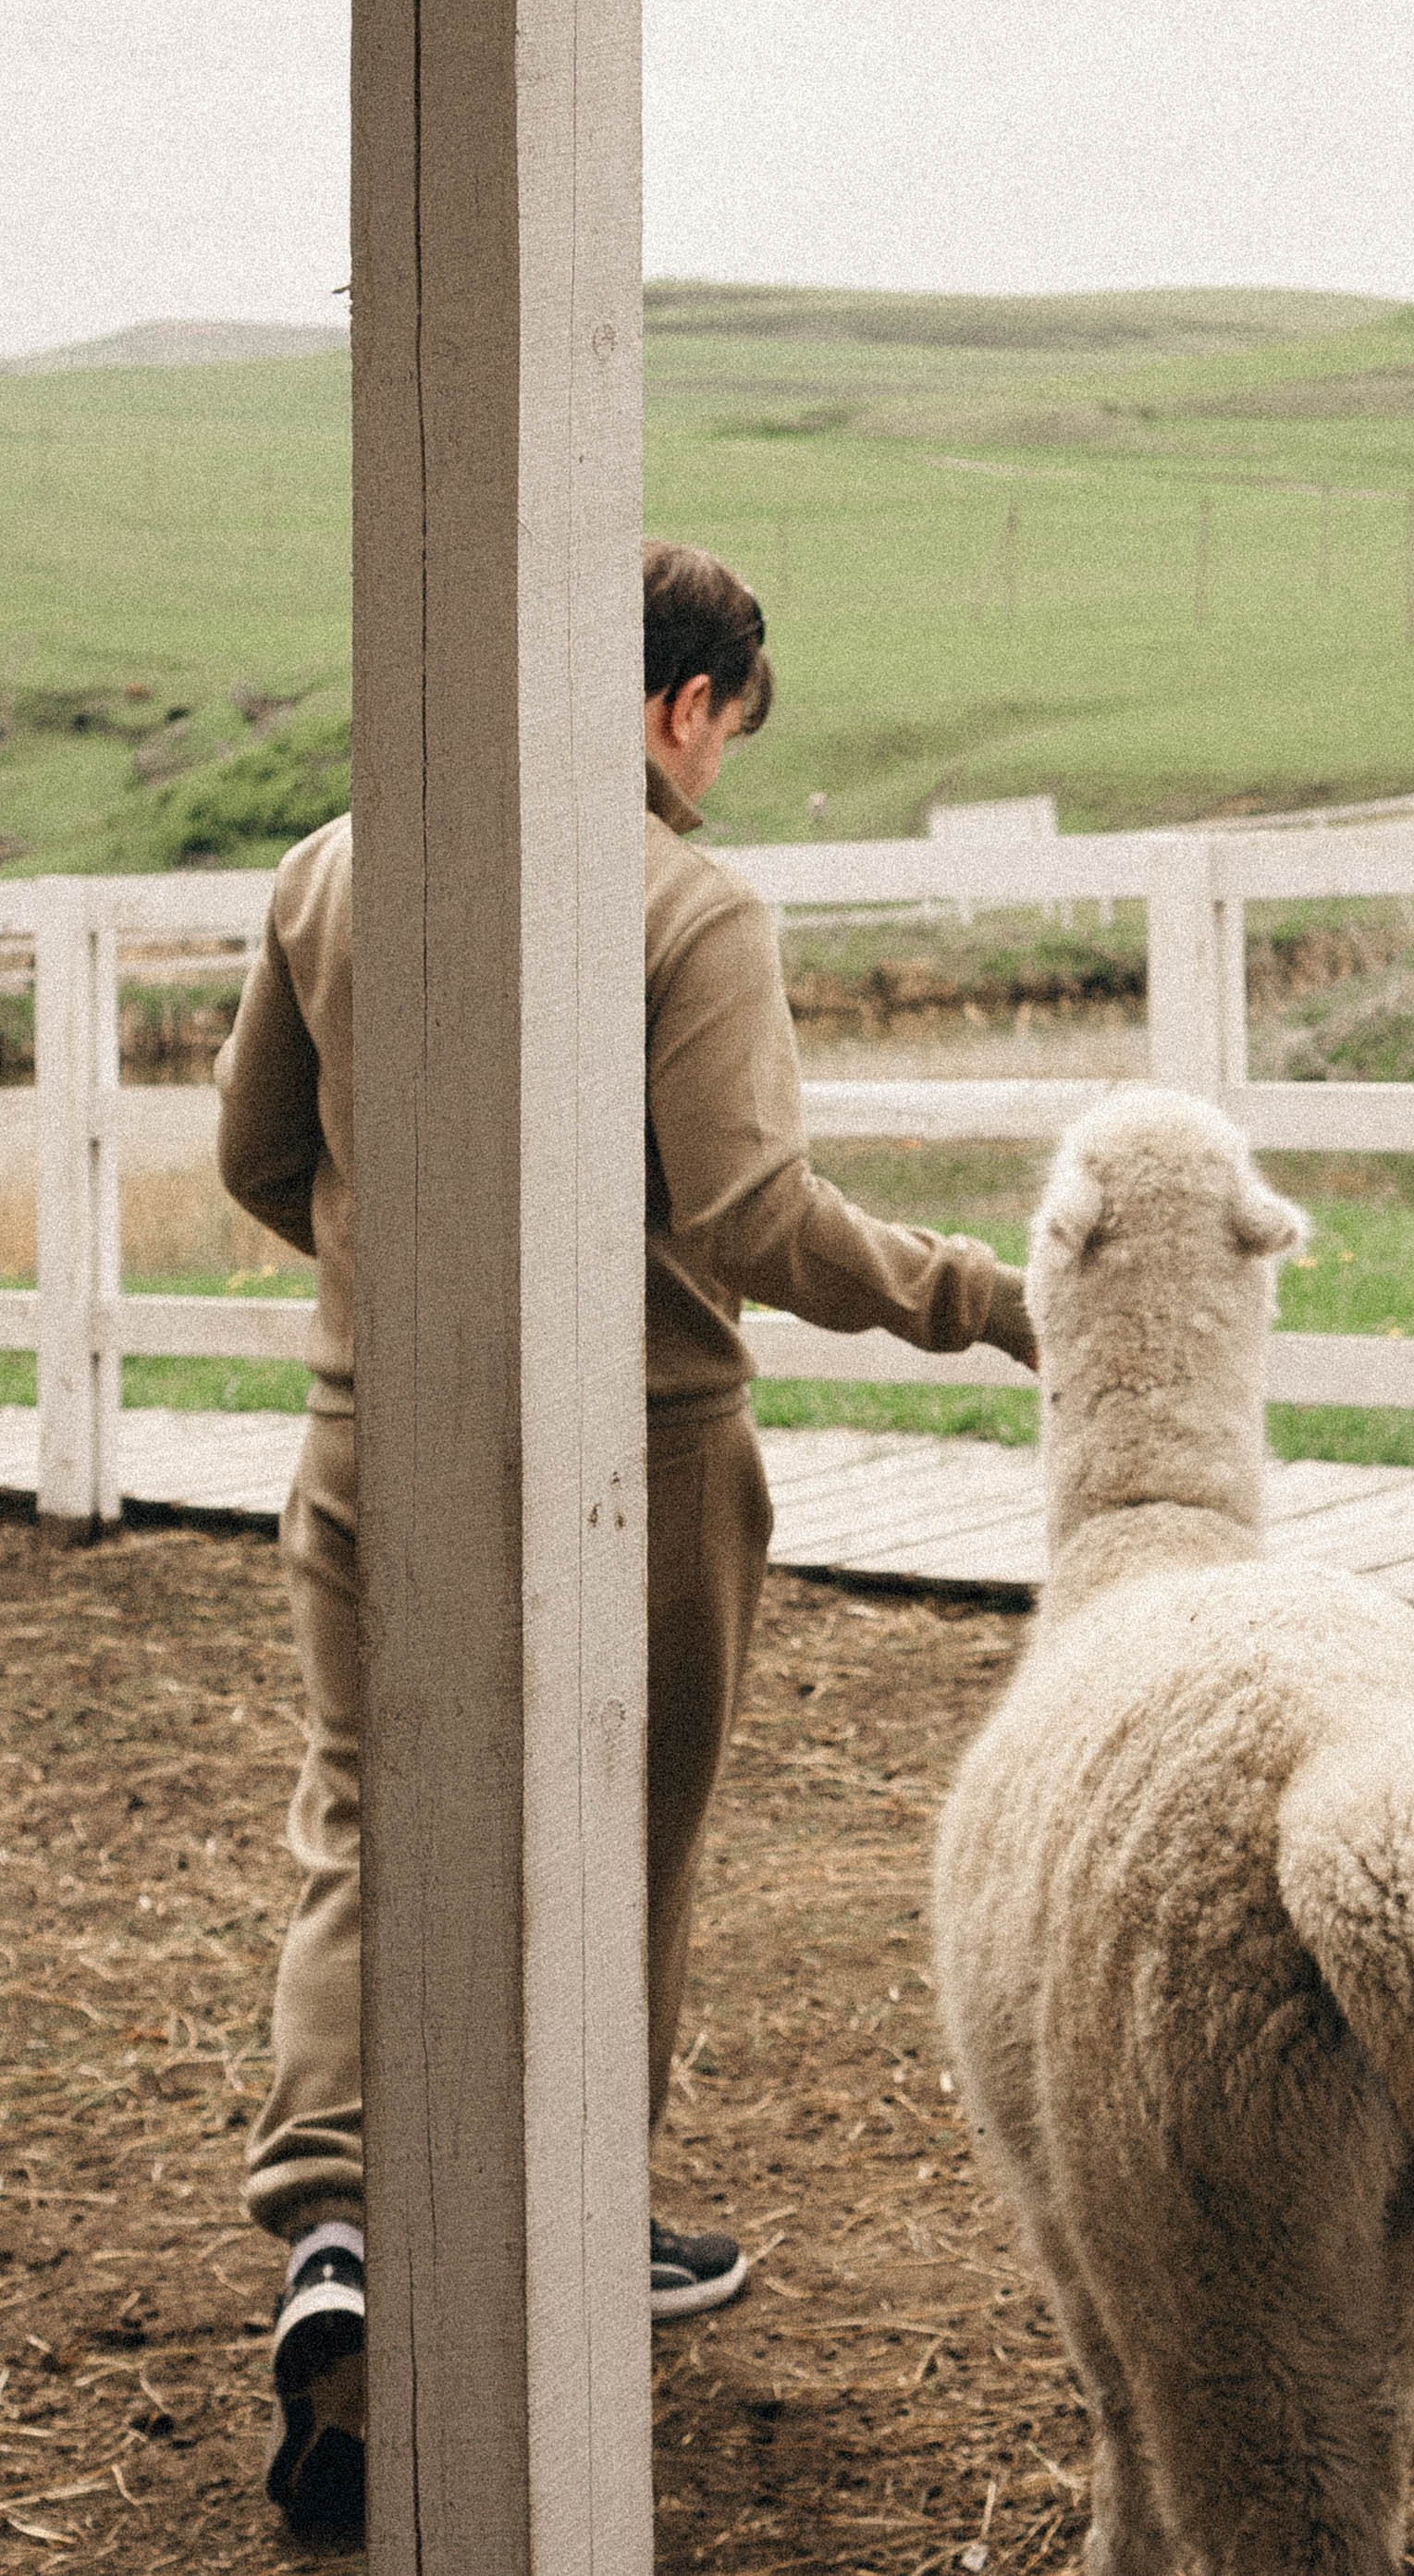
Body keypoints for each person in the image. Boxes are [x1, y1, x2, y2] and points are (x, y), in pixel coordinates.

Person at [215, 537, 1038, 2538]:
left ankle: (335, 2228)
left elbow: (254, 1149)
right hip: (644, 1448)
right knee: (617, 1838)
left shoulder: (332, 861)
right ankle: (582, 2227)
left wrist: (386, 1298)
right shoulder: (686, 901)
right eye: (727, 733)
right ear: (685, 703)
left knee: (366, 1819)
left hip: (365, 1431)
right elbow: (755, 1213)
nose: (718, 768)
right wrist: (979, 1294)